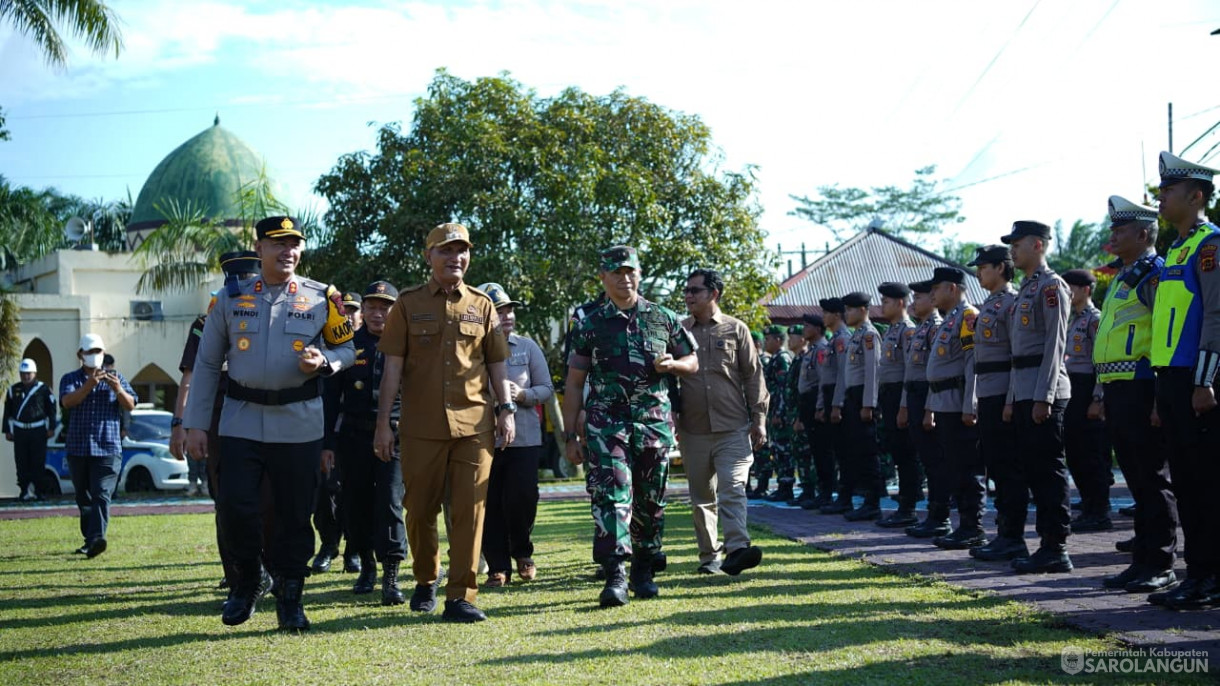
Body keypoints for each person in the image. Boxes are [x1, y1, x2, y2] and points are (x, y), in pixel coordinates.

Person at [184, 215, 356, 631]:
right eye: (278, 243)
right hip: (241, 419)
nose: (288, 251)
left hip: (299, 422)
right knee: (234, 506)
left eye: (294, 243)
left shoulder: (322, 297)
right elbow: (207, 364)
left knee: (295, 515)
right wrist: (194, 424)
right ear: (259, 248)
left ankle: (291, 598)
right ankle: (246, 581)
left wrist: (327, 362)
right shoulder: (229, 298)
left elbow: (347, 348)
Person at [373, 222, 516, 623]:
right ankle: (425, 580)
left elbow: (496, 363)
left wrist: (506, 410)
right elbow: (392, 371)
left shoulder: (483, 305)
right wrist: (384, 423)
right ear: (429, 256)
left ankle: (461, 596)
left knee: (471, 512)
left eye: (462, 250)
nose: (455, 257)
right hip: (420, 427)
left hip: (475, 426)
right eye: (446, 250)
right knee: (419, 510)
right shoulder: (406, 303)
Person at [562, 245, 698, 607]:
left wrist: (674, 366)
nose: (625, 279)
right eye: (616, 272)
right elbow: (574, 382)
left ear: (639, 274)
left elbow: (693, 359)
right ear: (603, 278)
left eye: (630, 272)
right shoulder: (589, 324)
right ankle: (615, 574)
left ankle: (644, 569)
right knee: (612, 496)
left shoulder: (663, 317)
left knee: (650, 500)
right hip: (607, 426)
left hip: (652, 423)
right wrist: (569, 435)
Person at [169, 250, 271, 590]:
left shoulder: (274, 314)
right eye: (235, 281)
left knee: (268, 497)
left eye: (247, 279)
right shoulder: (206, 320)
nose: (241, 286)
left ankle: (267, 566)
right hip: (217, 422)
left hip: (266, 418)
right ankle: (237, 574)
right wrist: (180, 424)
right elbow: (190, 376)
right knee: (226, 498)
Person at [1093, 195, 1178, 595]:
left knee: (1151, 478)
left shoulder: (1153, 273)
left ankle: (1161, 562)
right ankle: (1142, 558)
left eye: (1120, 230)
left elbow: (1162, 335)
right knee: (1135, 480)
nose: (1113, 235)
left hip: (1142, 386)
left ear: (1143, 234)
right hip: (1117, 386)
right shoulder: (1125, 275)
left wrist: (1160, 395)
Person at [1146, 152, 1220, 610]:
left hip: (1199, 381)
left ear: (1195, 196)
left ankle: (1210, 576)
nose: (1161, 197)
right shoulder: (1176, 248)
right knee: (1187, 482)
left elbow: (1216, 315)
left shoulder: (1210, 245)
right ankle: (1198, 573)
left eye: (1168, 191)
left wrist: (1205, 381)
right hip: (1172, 382)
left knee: (1205, 483)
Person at [322, 280, 408, 605]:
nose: (377, 313)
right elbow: (331, 398)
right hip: (354, 436)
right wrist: (327, 443)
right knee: (355, 504)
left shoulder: (407, 345)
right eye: (371, 306)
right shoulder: (348, 346)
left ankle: (391, 577)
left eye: (385, 307)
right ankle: (366, 567)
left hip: (396, 435)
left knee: (389, 502)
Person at [678, 268, 767, 575]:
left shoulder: (736, 329)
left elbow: (753, 376)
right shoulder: (678, 331)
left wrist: (760, 419)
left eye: (695, 291)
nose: (688, 296)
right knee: (702, 497)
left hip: (733, 427)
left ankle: (738, 549)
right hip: (693, 429)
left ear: (713, 294)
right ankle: (709, 558)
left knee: (732, 487)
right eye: (686, 291)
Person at [1002, 220, 1073, 574]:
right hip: (1026, 389)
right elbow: (1018, 353)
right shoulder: (1025, 291)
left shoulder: (1051, 287)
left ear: (1038, 245)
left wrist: (1044, 396)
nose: (1012, 251)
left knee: (1048, 471)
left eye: (1017, 244)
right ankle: (1045, 544)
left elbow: (1054, 346)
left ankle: (1056, 546)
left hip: (1045, 391)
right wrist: (1014, 398)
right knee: (1033, 470)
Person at [476, 282, 554, 587]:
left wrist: (521, 395)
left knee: (522, 499)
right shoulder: (474, 349)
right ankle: (497, 564)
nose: (507, 315)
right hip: (484, 438)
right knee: (489, 502)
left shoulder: (528, 346)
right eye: (499, 311)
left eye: (509, 309)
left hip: (524, 439)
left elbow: (547, 389)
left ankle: (522, 551)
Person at [963, 245, 1028, 562]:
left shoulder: (1011, 303)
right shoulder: (990, 304)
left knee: (1008, 468)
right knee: (997, 466)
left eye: (984, 266)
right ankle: (1004, 534)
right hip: (988, 391)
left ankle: (1013, 536)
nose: (978, 272)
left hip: (1003, 391)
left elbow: (1017, 354)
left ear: (1001, 268)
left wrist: (1012, 398)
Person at [59, 333, 137, 558]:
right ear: (80, 355)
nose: (95, 356)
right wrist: (89, 384)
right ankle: (89, 538)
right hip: (78, 447)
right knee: (83, 497)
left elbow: (130, 405)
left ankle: (97, 539)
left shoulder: (117, 378)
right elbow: (67, 402)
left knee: (101, 493)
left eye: (98, 352)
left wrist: (118, 390)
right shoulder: (71, 378)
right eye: (90, 352)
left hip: (107, 447)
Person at [923, 268, 984, 550]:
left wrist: (970, 403)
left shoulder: (967, 315)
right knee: (954, 466)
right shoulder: (949, 319)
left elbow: (973, 361)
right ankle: (964, 526)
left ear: (951, 288)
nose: (932, 294)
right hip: (943, 401)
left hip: (959, 400)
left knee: (967, 467)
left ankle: (973, 527)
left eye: (936, 289)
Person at [1061, 269, 1111, 533]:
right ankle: (1089, 504)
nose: (1067, 293)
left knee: (1091, 453)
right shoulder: (1072, 320)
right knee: (1077, 451)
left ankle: (1100, 511)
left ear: (1086, 290)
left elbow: (1101, 360)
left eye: (1071, 288)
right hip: (1072, 389)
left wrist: (1098, 397)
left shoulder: (1094, 319)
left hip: (1087, 387)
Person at [899, 280, 947, 538]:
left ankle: (939, 516)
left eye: (918, 297)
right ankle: (933, 514)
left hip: (929, 397)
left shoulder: (935, 327)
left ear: (932, 298)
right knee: (927, 459)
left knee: (935, 460)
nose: (913, 303)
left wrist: (929, 408)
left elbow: (933, 372)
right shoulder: (921, 329)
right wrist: (904, 405)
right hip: (915, 396)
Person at [831, 292, 885, 521]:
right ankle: (864, 500)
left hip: (863, 397)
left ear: (863, 310)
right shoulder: (856, 336)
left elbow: (873, 371)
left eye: (851, 309)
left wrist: (869, 404)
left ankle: (873, 502)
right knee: (856, 451)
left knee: (867, 452)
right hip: (854, 397)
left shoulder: (869, 335)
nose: (847, 314)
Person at [875, 282, 921, 528]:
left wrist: (904, 405)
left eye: (886, 301)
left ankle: (908, 507)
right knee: (898, 452)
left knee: (906, 454)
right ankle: (904, 505)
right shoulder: (891, 331)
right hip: (889, 397)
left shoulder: (907, 331)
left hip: (901, 397)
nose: (882, 305)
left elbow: (909, 372)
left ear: (900, 303)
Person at [816, 298, 851, 514]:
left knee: (843, 451)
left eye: (826, 313)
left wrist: (837, 404)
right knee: (833, 450)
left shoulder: (843, 339)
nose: (823, 317)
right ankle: (835, 496)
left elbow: (842, 375)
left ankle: (844, 497)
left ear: (837, 315)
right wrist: (822, 404)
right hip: (829, 397)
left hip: (838, 398)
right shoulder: (833, 340)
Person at [4, 358, 57, 501]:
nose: (26, 376)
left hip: (38, 430)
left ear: (35, 373)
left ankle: (39, 491)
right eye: (23, 373)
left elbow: (51, 409)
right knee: (21, 462)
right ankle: (24, 491)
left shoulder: (43, 389)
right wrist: (7, 430)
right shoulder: (13, 390)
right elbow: (7, 412)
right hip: (20, 431)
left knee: (38, 462)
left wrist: (52, 427)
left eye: (29, 373)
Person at [793, 317, 827, 509]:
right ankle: (818, 492)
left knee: (821, 451)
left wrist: (820, 406)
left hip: (815, 402)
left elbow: (823, 380)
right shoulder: (812, 350)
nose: (804, 329)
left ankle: (824, 492)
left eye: (807, 326)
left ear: (817, 328)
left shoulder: (821, 349)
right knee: (814, 450)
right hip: (807, 402)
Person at [756, 325, 791, 501]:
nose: (765, 342)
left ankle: (786, 486)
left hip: (780, 412)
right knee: (777, 450)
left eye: (768, 339)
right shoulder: (776, 358)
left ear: (778, 340)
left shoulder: (782, 359)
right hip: (774, 410)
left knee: (783, 449)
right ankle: (783, 486)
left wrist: (778, 412)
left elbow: (783, 387)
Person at [783, 324, 812, 505]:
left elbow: (804, 391)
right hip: (793, 413)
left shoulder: (804, 359)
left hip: (801, 414)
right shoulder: (797, 359)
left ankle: (810, 490)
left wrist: (800, 416)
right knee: (798, 452)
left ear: (802, 339)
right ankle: (806, 489)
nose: (789, 341)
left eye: (792, 337)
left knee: (805, 452)